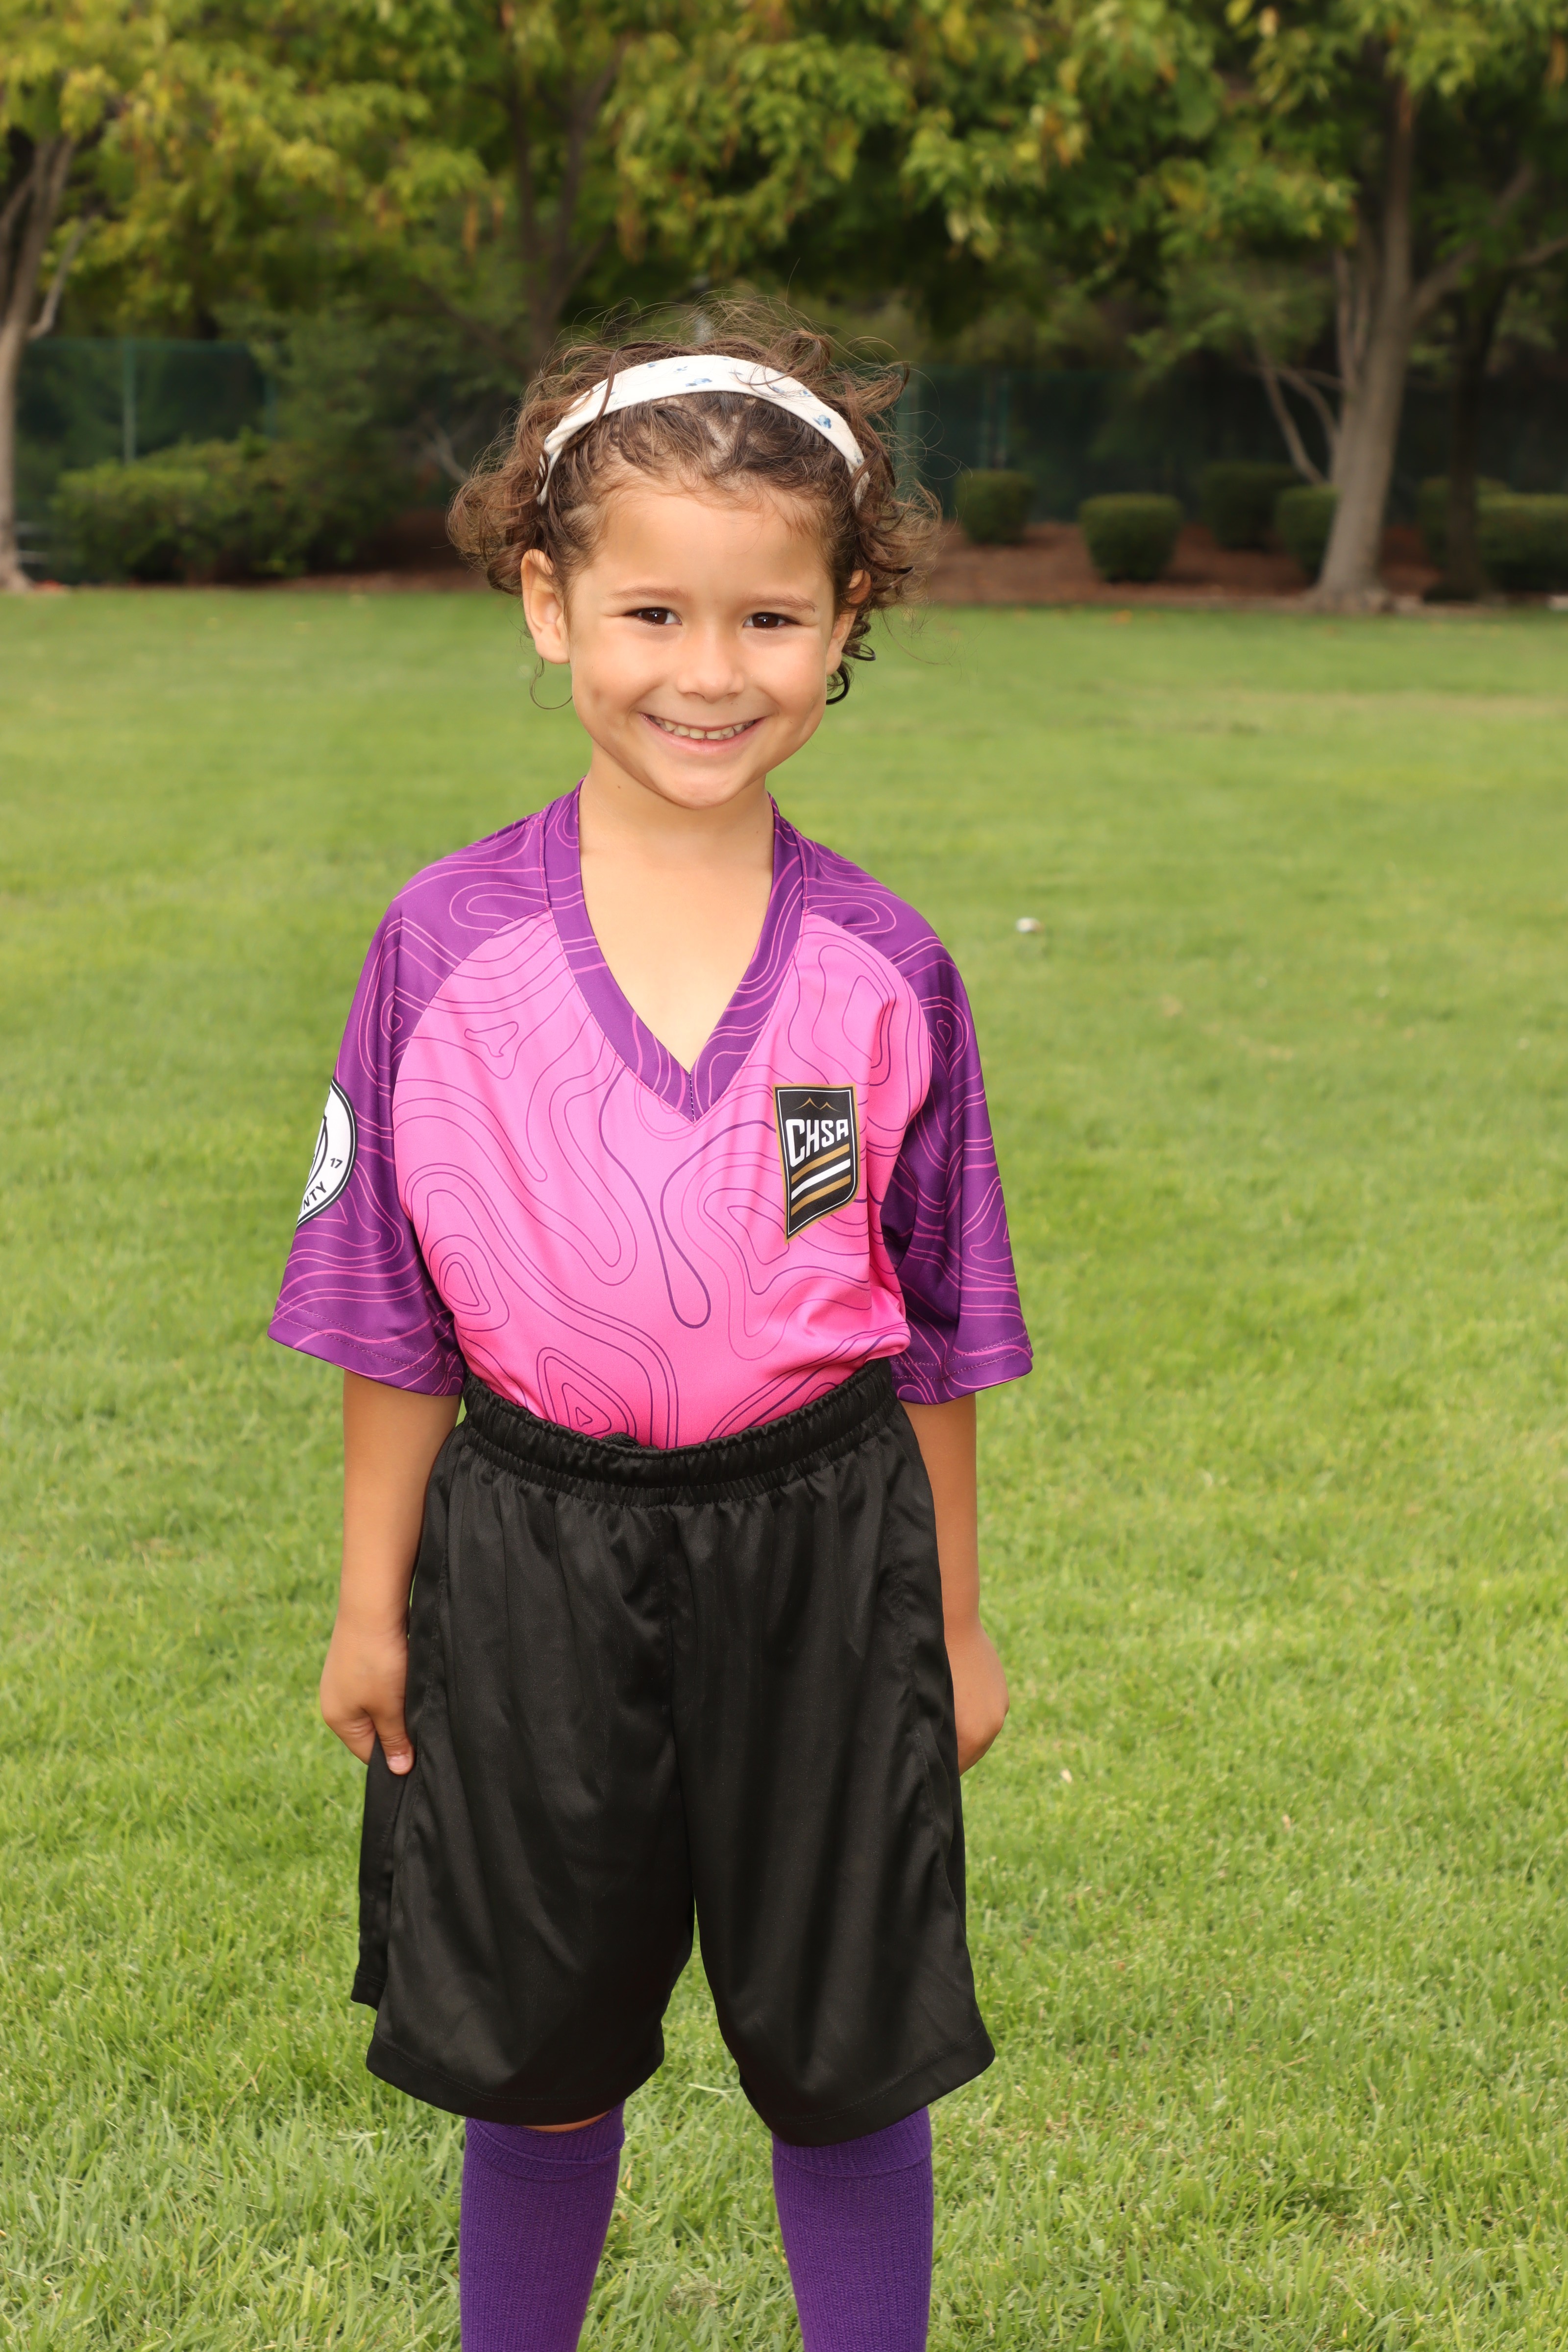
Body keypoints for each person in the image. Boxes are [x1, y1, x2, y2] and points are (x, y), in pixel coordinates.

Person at [269, 307, 1033, 2352]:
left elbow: (937, 1333)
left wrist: (952, 1622)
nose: (709, 671)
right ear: (550, 605)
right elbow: (388, 1313)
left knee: (846, 2054)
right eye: (653, 612)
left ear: (846, 620)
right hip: (527, 1551)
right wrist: (370, 1605)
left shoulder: (884, 968)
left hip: (823, 1552)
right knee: (536, 2056)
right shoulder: (443, 945)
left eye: (769, 617)